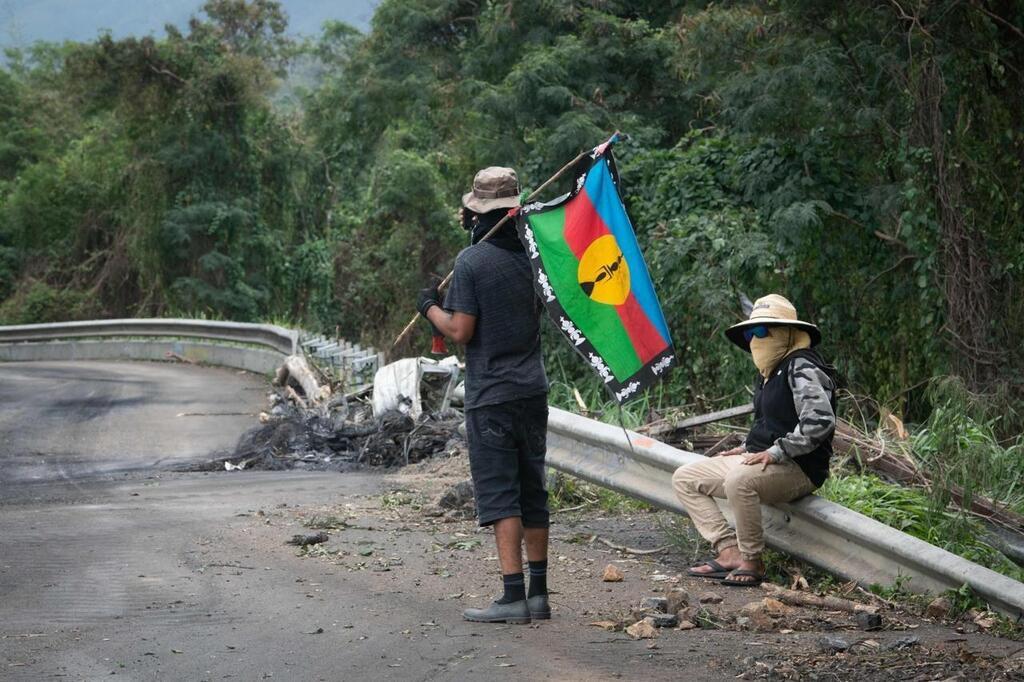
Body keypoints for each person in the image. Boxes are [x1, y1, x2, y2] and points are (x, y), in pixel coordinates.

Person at [416, 166, 551, 624]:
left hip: (492, 395)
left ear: (478, 214)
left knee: (500, 495)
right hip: (533, 391)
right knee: (532, 489)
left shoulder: (472, 262)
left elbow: (460, 329)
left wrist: (429, 307)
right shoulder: (536, 259)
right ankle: (539, 594)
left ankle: (511, 597)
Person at [671, 294, 837, 586]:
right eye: (751, 332)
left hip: (798, 466)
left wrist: (776, 452)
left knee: (739, 480)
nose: (755, 339)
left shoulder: (802, 367)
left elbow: (819, 423)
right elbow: (770, 422)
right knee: (686, 477)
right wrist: (748, 448)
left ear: (787, 333)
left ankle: (752, 560)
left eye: (762, 331)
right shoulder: (768, 372)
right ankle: (728, 551)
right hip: (762, 459)